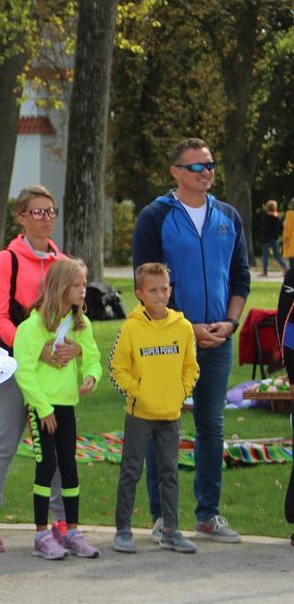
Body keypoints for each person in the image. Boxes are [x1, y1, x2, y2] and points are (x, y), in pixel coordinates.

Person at [132, 138, 249, 543]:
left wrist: (230, 324)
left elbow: (240, 278)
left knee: (211, 426)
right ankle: (163, 518)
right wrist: (186, 327)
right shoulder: (155, 216)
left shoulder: (228, 216)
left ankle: (208, 514)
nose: (207, 172)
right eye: (198, 166)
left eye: (211, 165)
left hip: (218, 338)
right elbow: (144, 281)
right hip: (168, 339)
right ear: (176, 172)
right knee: (163, 425)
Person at [0, 185, 73, 553]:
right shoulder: (7, 260)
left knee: (58, 447)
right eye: (37, 212)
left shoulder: (62, 261)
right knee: (6, 441)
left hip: (54, 370)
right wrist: (32, 352)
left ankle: (61, 519)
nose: (45, 218)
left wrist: (72, 348)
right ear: (21, 217)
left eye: (51, 211)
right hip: (17, 366)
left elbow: (74, 317)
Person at [11, 257, 102, 560]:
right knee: (46, 466)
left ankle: (72, 531)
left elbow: (92, 356)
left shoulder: (81, 324)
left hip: (67, 405)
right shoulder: (31, 327)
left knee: (70, 467)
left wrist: (91, 376)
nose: (82, 291)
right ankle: (41, 535)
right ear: (60, 287)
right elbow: (23, 371)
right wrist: (43, 408)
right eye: (76, 285)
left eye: (84, 285)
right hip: (42, 409)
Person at [109, 262, 200, 555]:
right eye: (153, 290)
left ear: (170, 290)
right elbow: (117, 368)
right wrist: (139, 392)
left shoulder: (183, 327)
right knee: (131, 471)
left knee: (170, 473)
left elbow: (191, 367)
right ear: (140, 294)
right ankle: (123, 530)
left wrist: (180, 393)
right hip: (139, 415)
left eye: (164, 289)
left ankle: (171, 531)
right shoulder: (131, 328)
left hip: (170, 415)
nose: (160, 295)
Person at [258, 200, 288, 277]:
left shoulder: (267, 217)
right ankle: (285, 267)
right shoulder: (277, 216)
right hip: (275, 238)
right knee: (277, 255)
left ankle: (265, 271)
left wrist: (262, 236)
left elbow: (265, 228)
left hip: (266, 238)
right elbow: (282, 227)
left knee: (265, 255)